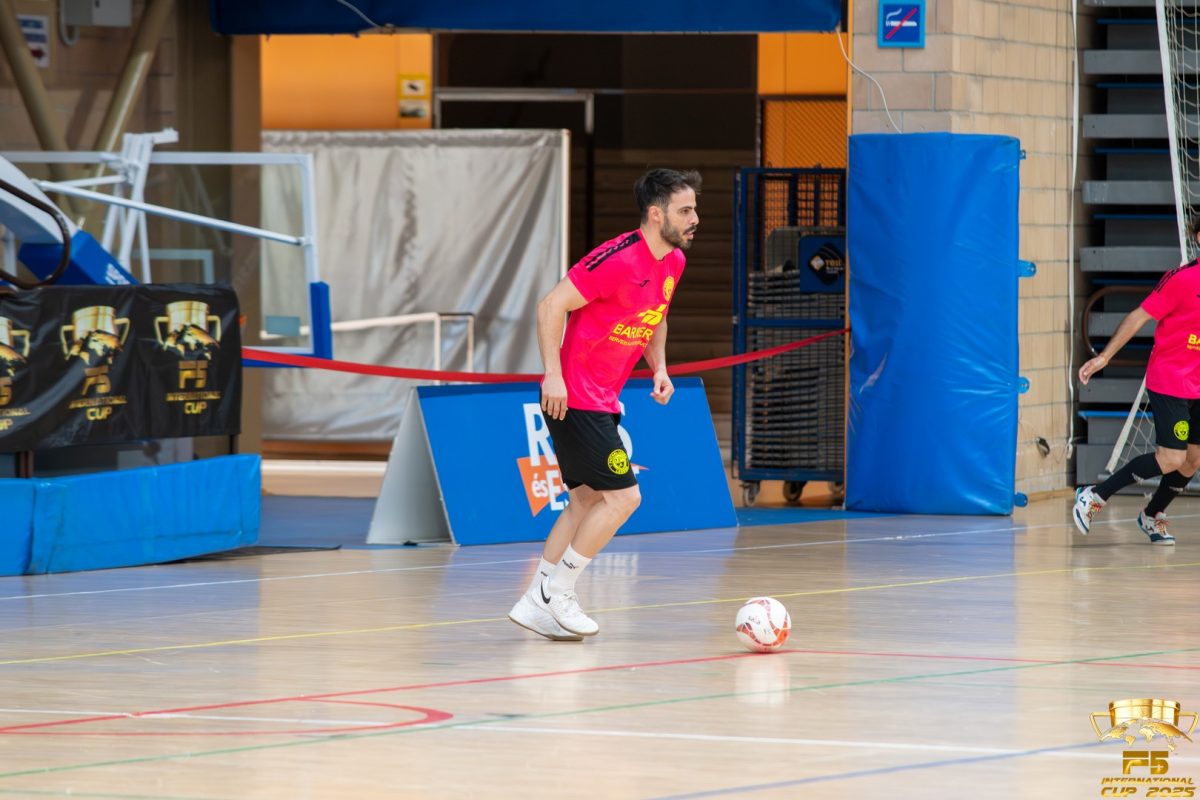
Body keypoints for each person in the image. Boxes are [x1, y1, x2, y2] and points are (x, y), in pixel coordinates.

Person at [508, 168, 700, 640]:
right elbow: (550, 306)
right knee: (624, 497)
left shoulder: (673, 261)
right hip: (574, 396)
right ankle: (559, 591)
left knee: (584, 501)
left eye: (694, 209)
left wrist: (659, 367)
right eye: (685, 210)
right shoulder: (617, 258)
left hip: (602, 396)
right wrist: (553, 375)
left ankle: (534, 601)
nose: (695, 218)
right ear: (656, 215)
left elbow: (656, 316)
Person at [1074, 216, 1200, 545]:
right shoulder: (1182, 280)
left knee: (1192, 461)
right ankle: (1094, 495)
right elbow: (1139, 316)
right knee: (1172, 458)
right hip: (1171, 379)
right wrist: (1104, 357)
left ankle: (1151, 514)